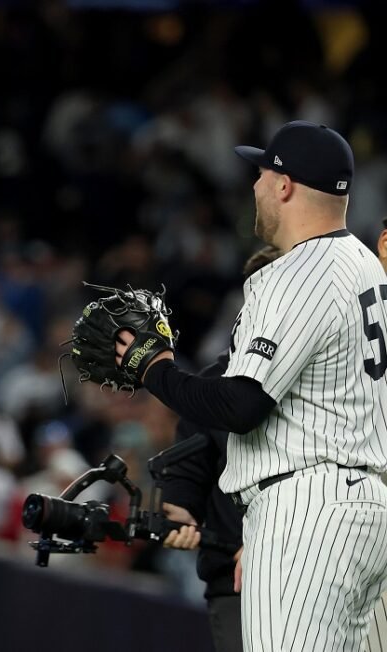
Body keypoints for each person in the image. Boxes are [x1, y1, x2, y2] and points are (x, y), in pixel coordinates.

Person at [117, 121, 387, 651]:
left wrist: (155, 370)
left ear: (284, 185)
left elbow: (241, 405)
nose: (255, 186)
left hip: (308, 509)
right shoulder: (366, 268)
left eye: (261, 173)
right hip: (369, 508)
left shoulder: (301, 271)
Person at [159, 245, 280, 652]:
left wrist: (270, 543)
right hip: (235, 583)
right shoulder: (215, 382)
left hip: (319, 569)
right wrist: (180, 509)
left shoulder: (334, 382)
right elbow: (188, 464)